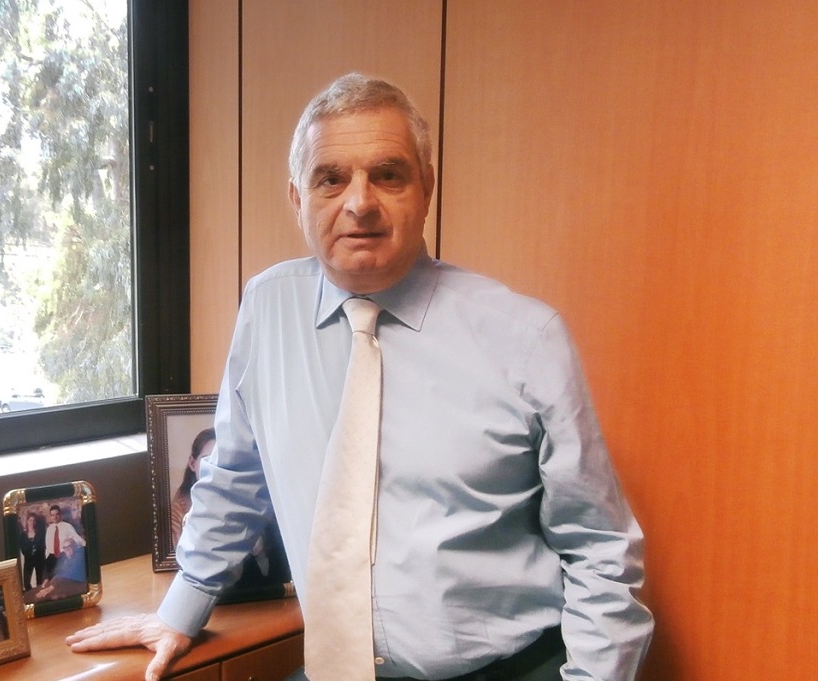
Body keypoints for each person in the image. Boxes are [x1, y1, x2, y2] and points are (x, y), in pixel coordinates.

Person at [66, 72, 653, 681]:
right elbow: (238, 476)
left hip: (509, 667)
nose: (360, 203)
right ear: (297, 199)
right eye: (330, 178)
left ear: (426, 188)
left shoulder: (525, 338)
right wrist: (181, 610)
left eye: (388, 175)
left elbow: (600, 549)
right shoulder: (267, 308)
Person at [170, 427, 215, 546]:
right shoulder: (178, 513)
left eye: (219, 461)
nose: (214, 468)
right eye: (207, 460)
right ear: (192, 463)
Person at [42, 504, 86, 587]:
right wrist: (47, 557)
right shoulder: (49, 529)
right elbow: (47, 545)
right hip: (52, 555)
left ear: (60, 515)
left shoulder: (67, 526)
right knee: (46, 575)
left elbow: (76, 537)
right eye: (52, 515)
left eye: (57, 514)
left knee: (58, 575)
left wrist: (85, 545)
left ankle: (55, 585)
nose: (55, 517)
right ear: (50, 517)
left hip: (63, 554)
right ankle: (47, 584)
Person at [16, 510, 47, 591]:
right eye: (30, 520)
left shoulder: (40, 533)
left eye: (34, 520)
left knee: (40, 580)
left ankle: (39, 595)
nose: (32, 522)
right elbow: (22, 547)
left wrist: (37, 551)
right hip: (28, 559)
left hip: (39, 559)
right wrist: (28, 552)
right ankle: (30, 595)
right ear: (27, 521)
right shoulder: (23, 535)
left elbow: (43, 545)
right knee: (26, 581)